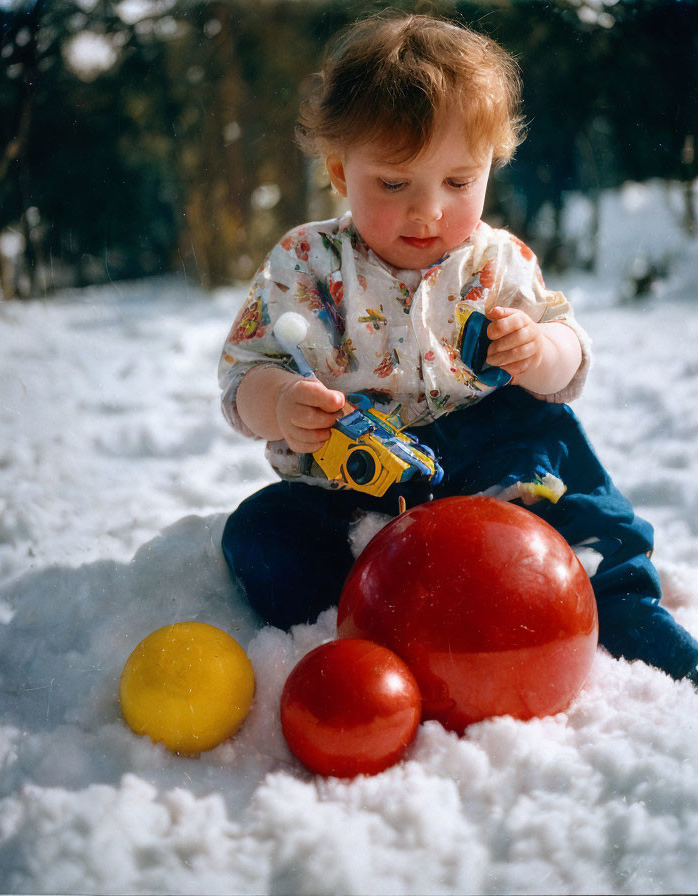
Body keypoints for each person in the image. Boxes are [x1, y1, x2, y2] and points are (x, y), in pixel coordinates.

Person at [217, 12, 698, 683]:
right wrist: (282, 404)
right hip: (357, 474)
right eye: (394, 183)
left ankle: (620, 607)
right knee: (261, 537)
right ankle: (377, 621)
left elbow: (570, 355)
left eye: (458, 182)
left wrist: (539, 349)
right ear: (339, 171)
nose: (429, 211)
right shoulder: (306, 262)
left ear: (489, 169)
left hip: (494, 449)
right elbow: (248, 370)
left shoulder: (500, 260)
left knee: (578, 498)